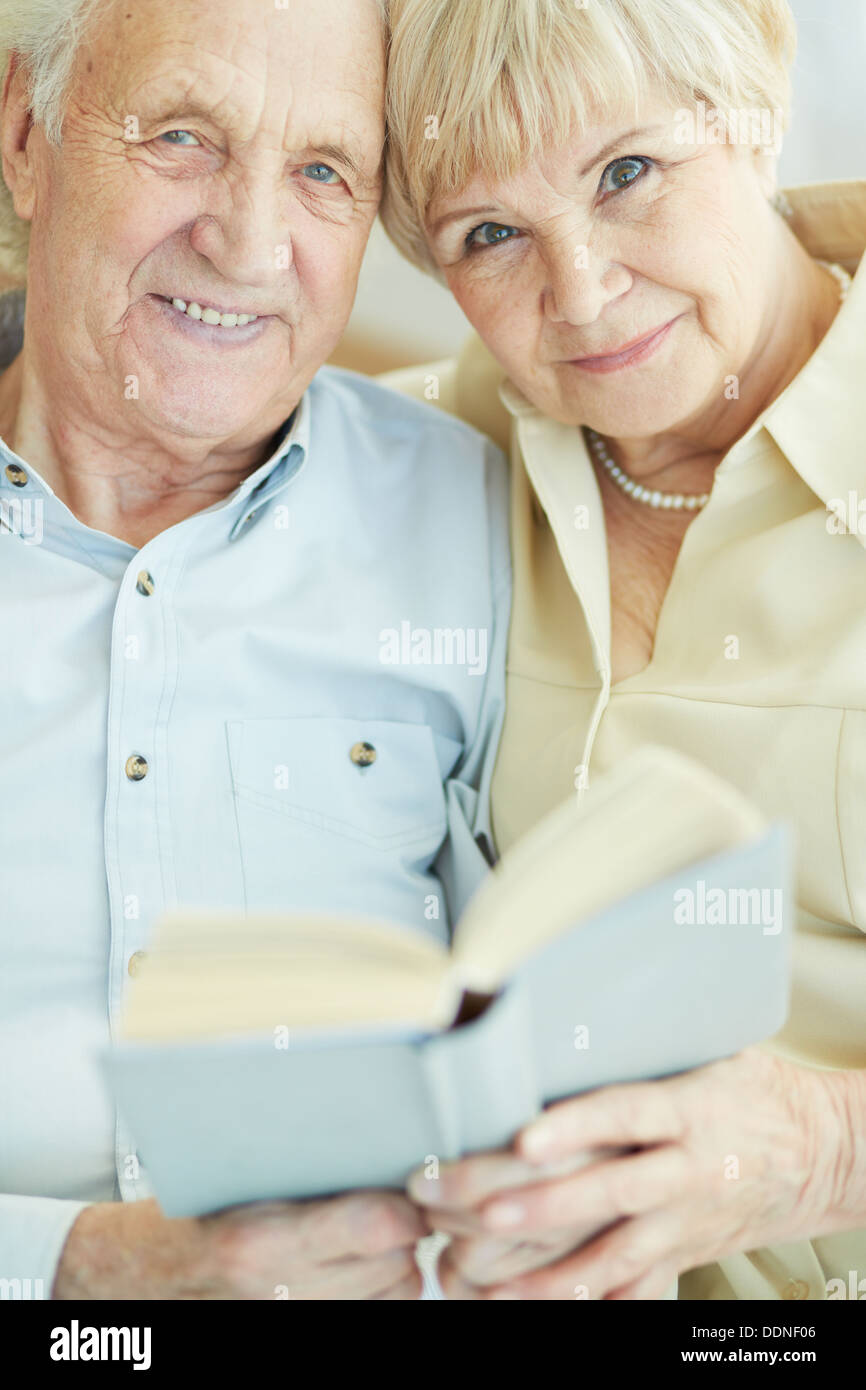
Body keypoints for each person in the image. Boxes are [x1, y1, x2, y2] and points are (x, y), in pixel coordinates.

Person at [0, 0, 509, 1300]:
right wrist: (72, 1268)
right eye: (181, 136)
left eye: (323, 172)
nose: (246, 242)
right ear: (24, 133)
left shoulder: (486, 514)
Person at [382, 0, 866, 1300]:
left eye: (627, 174)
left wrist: (823, 1151)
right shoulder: (429, 460)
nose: (581, 292)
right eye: (490, 235)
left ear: (754, 106)